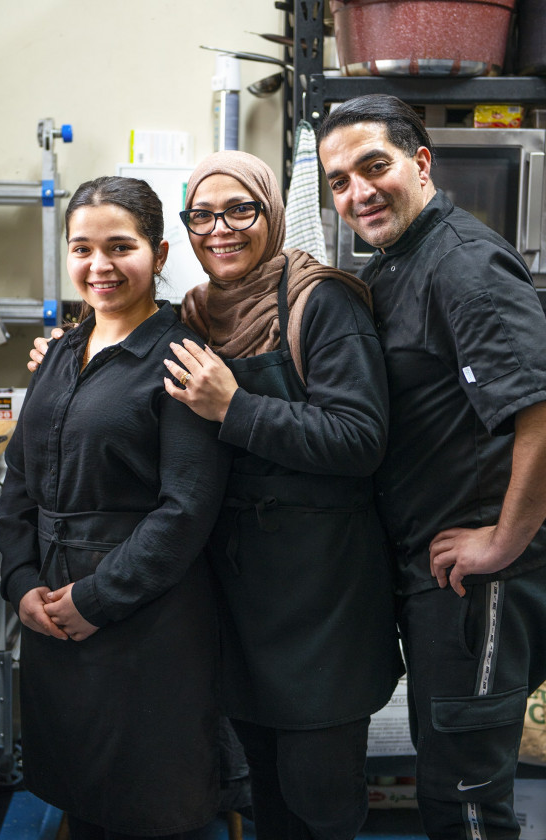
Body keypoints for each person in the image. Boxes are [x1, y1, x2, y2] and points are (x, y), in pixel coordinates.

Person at [29, 152, 403, 840]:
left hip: (320, 597)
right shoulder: (201, 311)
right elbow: (124, 335)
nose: (220, 229)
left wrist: (236, 407)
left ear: (272, 211)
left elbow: (359, 440)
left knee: (319, 795)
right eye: (202, 215)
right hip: (236, 597)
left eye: (240, 210)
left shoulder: (324, 302)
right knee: (262, 788)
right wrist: (71, 353)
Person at [317, 94, 546, 840]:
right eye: (340, 180)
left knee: (465, 794)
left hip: (479, 580)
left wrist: (502, 542)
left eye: (374, 166)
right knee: (445, 771)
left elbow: (540, 411)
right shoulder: (394, 265)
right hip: (434, 576)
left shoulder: (464, 267)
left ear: (420, 163)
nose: (358, 192)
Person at [0, 175, 232, 840]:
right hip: (49, 604)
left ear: (158, 255)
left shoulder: (182, 358)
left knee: (149, 798)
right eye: (82, 248)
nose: (98, 265)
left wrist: (95, 599)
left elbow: (185, 511)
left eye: (119, 247)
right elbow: (19, 479)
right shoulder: (58, 353)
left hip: (145, 617)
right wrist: (20, 586)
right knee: (77, 783)